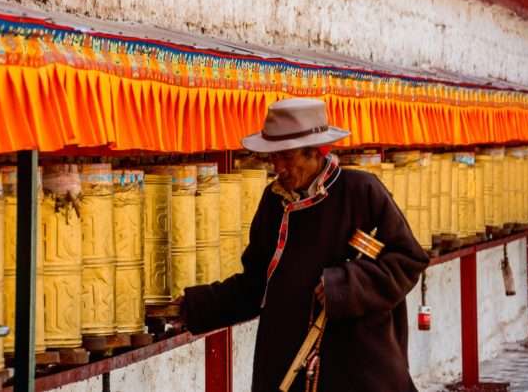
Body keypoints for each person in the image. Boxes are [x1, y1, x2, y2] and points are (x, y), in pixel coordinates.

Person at [177, 98, 429, 392]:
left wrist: (343, 285)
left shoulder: (361, 191)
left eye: (286, 156)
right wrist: (193, 307)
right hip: (288, 365)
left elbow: (408, 260)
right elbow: (257, 285)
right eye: (273, 157)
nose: (277, 166)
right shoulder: (273, 202)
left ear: (316, 152)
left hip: (358, 366)